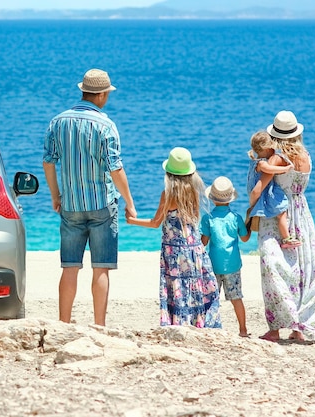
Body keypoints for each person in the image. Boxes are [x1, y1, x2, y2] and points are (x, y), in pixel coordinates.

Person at [42, 68, 137, 327]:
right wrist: (129, 202)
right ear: (102, 94)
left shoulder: (57, 121)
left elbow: (48, 163)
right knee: (101, 267)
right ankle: (99, 325)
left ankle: (63, 322)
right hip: (102, 206)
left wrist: (55, 194)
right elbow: (115, 168)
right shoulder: (106, 125)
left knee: (70, 267)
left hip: (71, 204)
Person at [249, 110, 315, 342]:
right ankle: (299, 327)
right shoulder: (306, 156)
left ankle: (275, 328)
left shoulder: (276, 159)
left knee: (274, 269)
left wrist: (250, 208)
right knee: (303, 268)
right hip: (302, 214)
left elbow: (257, 191)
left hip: (277, 215)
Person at [127, 147, 221, 328]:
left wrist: (132, 221)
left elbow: (155, 222)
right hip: (194, 249)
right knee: (193, 286)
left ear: (169, 174)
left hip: (175, 252)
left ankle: (178, 324)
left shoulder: (168, 196)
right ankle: (197, 323)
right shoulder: (193, 192)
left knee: (177, 287)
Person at [200, 176, 250, 337]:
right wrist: (249, 223)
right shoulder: (236, 218)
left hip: (213, 264)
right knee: (236, 298)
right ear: (230, 199)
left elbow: (204, 241)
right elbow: (245, 238)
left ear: (213, 199)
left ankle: (208, 327)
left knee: (211, 298)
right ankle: (243, 330)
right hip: (233, 264)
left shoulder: (208, 218)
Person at [246, 131, 299, 248]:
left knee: (281, 213)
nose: (274, 150)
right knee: (282, 211)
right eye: (272, 148)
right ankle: (286, 238)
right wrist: (286, 168)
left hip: (261, 191)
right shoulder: (261, 164)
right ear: (265, 149)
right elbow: (270, 169)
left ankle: (286, 238)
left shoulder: (255, 162)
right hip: (263, 192)